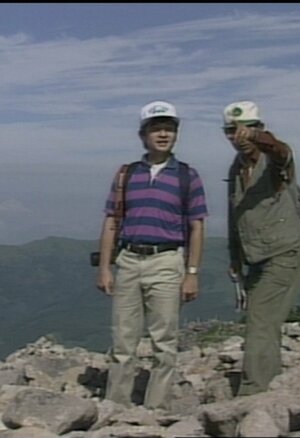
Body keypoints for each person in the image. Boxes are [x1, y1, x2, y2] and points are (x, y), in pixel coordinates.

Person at [96, 100, 208, 410]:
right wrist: (104, 267)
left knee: (164, 341)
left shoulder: (187, 176)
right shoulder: (126, 174)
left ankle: (156, 410)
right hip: (128, 259)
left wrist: (192, 273)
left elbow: (197, 226)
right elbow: (111, 221)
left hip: (167, 260)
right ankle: (116, 407)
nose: (163, 134)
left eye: (169, 129)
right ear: (143, 135)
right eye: (156, 129)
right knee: (123, 340)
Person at [223, 101, 300, 396]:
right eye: (231, 131)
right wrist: (235, 258)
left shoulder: (273, 162)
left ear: (259, 128)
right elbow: (235, 216)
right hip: (255, 256)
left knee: (260, 318)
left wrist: (258, 138)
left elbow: (282, 151)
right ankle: (268, 388)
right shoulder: (237, 168)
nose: (239, 136)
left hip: (283, 251)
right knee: (264, 321)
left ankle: (253, 392)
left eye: (247, 129)